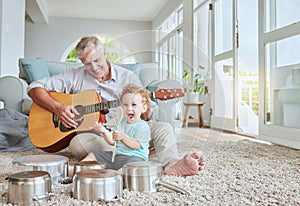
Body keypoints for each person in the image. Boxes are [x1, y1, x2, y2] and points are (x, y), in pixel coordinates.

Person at [27, 36, 205, 176]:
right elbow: (34, 87)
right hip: (97, 136)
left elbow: (147, 118)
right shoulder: (75, 76)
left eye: (97, 60)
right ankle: (137, 159)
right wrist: (58, 108)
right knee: (78, 143)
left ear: (104, 52)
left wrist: (144, 109)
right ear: (81, 62)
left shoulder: (128, 78)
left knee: (163, 128)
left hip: (128, 132)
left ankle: (172, 164)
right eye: (88, 64)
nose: (94, 67)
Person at [76, 84, 151, 172]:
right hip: (116, 157)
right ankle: (78, 170)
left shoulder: (143, 127)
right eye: (125, 105)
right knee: (94, 155)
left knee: (131, 168)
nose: (129, 108)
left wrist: (123, 137)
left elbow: (136, 145)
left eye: (134, 105)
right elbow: (113, 142)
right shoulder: (121, 121)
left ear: (144, 108)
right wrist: (103, 132)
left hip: (134, 158)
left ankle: (113, 177)